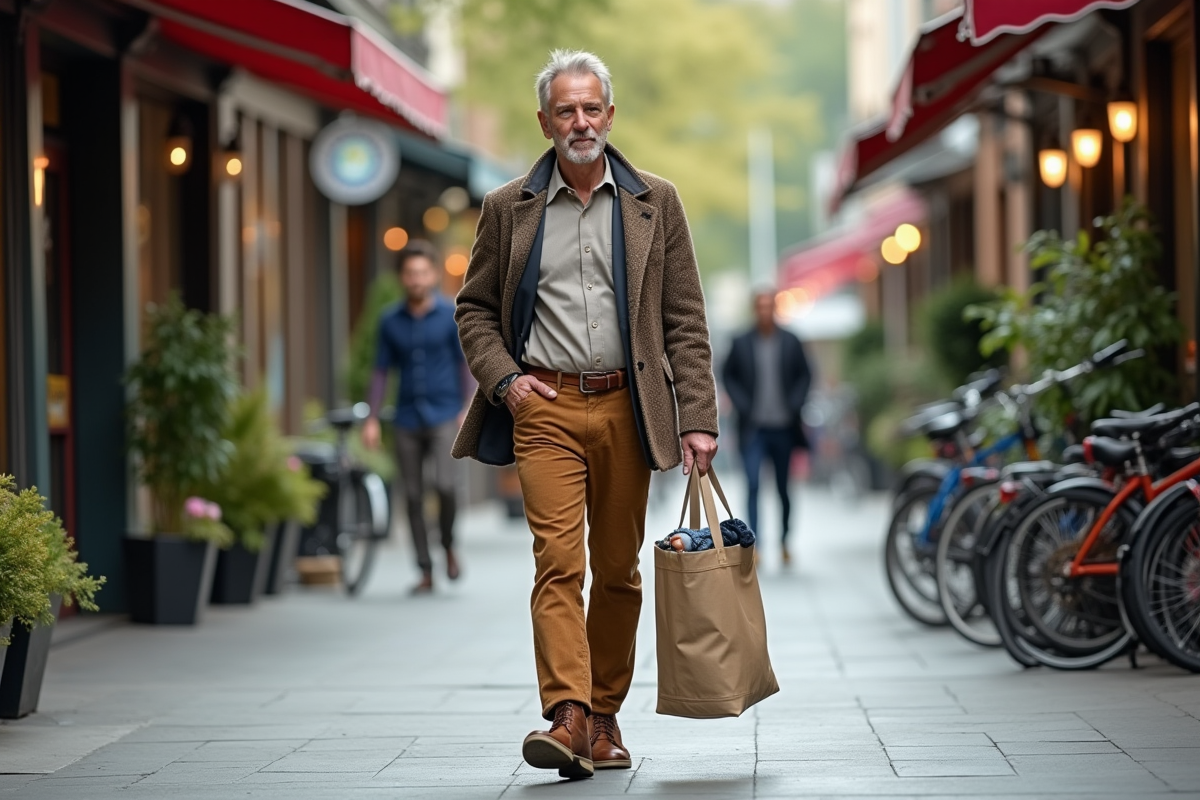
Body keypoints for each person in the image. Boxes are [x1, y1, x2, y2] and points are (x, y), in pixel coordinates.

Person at [452, 50, 719, 780]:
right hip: (543, 405)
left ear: (610, 114)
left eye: (591, 107)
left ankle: (604, 718)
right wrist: (506, 383)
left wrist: (697, 416)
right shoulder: (508, 206)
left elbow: (684, 320)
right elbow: (474, 309)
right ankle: (565, 714)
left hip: (629, 409)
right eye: (565, 110)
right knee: (557, 563)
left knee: (620, 572)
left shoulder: (654, 202)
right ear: (545, 121)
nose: (580, 121)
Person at [363, 240, 466, 594]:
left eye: (422, 272)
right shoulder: (390, 320)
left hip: (444, 413)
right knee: (411, 496)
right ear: (402, 278)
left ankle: (448, 544)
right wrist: (372, 418)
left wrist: (468, 406)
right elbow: (380, 371)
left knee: (446, 485)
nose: (417, 279)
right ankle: (425, 570)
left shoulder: (450, 314)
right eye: (410, 273)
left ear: (434, 275)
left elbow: (463, 363)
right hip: (406, 416)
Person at [721, 290, 813, 566]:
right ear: (754, 309)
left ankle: (784, 540)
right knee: (752, 484)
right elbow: (728, 375)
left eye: (768, 306)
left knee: (784, 488)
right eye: (759, 306)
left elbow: (805, 375)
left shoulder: (791, 341)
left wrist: (795, 403)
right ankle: (754, 543)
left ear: (775, 308)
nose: (764, 311)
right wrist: (742, 404)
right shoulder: (740, 342)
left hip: (784, 427)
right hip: (753, 428)